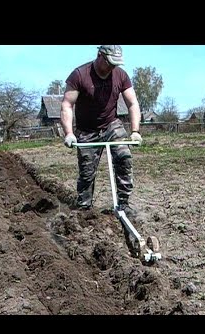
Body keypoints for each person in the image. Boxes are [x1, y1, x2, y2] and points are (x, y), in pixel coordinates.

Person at [60, 45, 142, 218]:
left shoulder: (120, 75)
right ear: (100, 55)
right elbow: (67, 105)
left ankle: (124, 204)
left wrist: (135, 130)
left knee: (124, 158)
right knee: (87, 172)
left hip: (112, 125)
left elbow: (132, 103)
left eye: (116, 63)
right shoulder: (80, 75)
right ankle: (84, 209)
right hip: (87, 130)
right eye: (110, 63)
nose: (113, 67)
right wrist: (69, 133)